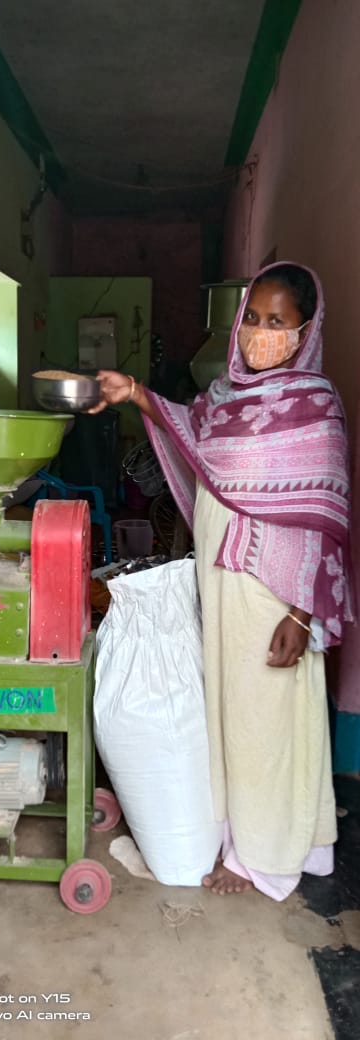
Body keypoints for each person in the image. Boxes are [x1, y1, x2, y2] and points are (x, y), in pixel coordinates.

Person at [89, 261, 353, 900]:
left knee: (266, 722)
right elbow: (190, 434)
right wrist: (135, 392)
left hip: (273, 598)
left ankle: (265, 858)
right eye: (254, 320)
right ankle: (253, 838)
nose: (261, 333)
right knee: (231, 717)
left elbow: (324, 517)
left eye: (277, 322)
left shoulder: (315, 405)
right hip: (222, 586)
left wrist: (300, 615)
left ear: (306, 328)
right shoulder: (226, 400)